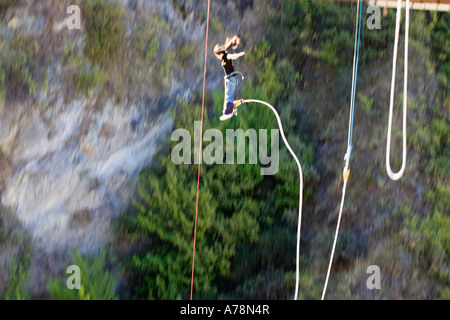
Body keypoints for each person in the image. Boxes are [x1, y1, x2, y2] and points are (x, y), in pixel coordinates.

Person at [213, 35, 245, 120]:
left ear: (220, 54)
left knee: (228, 96)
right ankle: (232, 107)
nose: (217, 57)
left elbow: (232, 56)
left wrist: (238, 55)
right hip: (231, 79)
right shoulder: (223, 58)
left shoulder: (226, 56)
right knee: (229, 96)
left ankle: (228, 112)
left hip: (231, 79)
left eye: (217, 56)